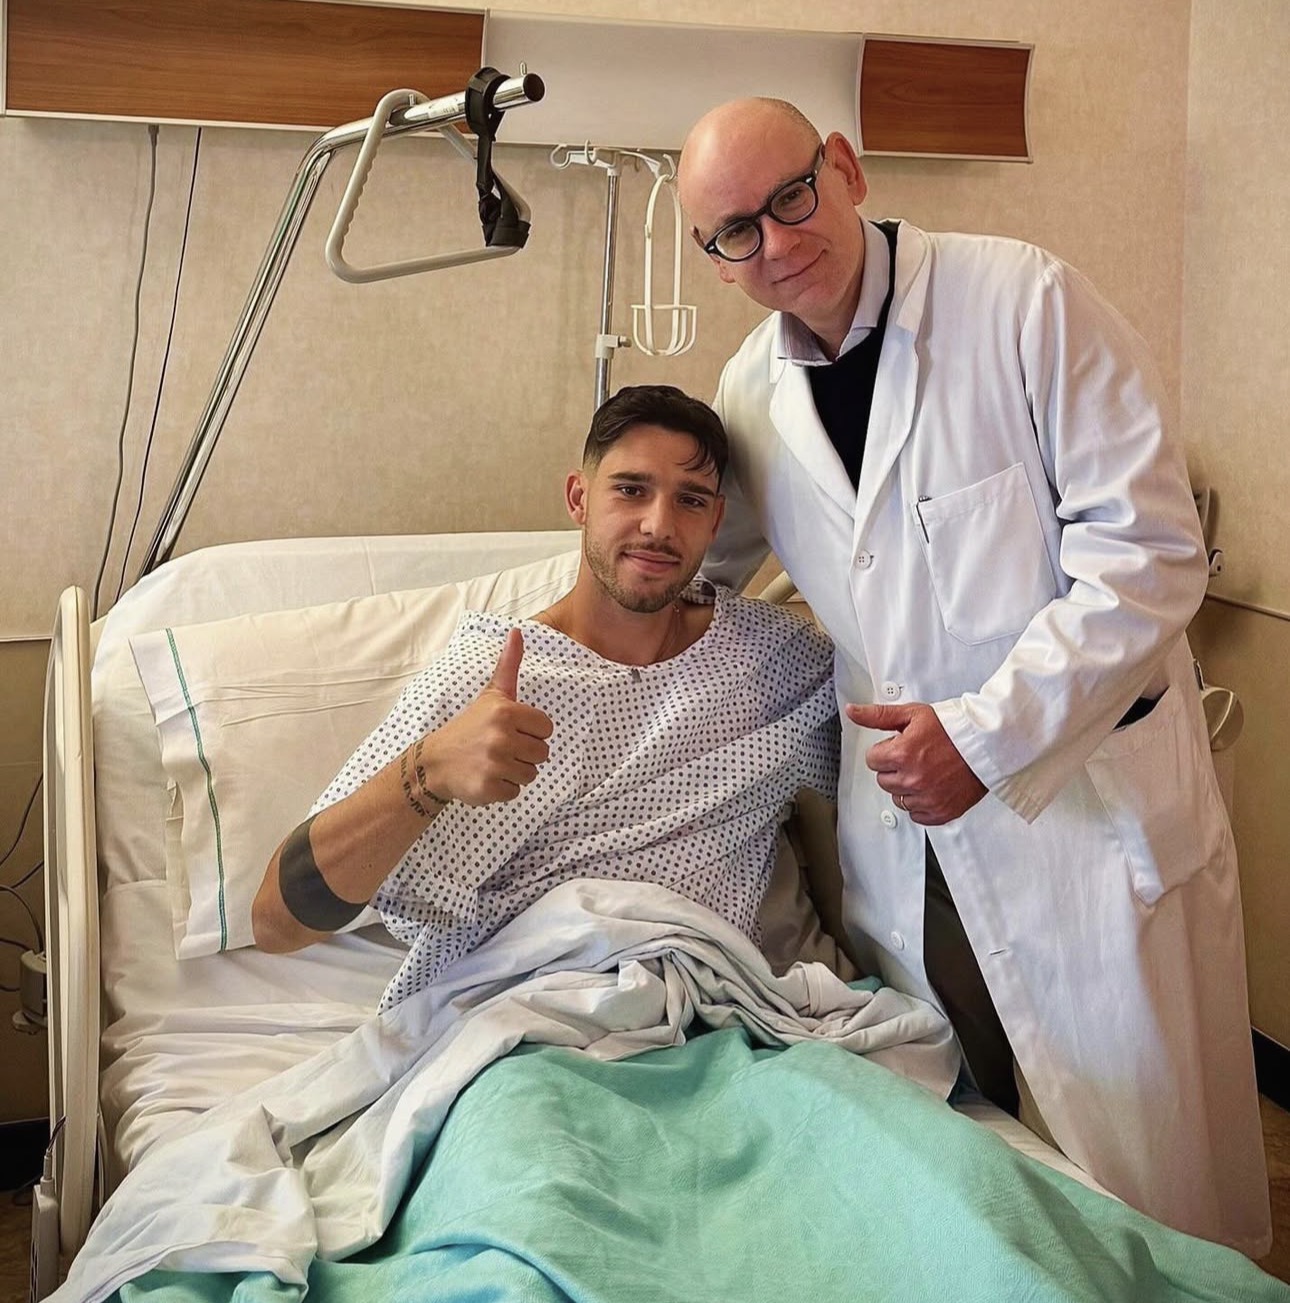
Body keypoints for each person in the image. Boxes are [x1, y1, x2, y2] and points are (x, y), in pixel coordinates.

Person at [675, 97, 1270, 1255]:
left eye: (792, 196)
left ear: (843, 168)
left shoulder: (1025, 303)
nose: (777, 242)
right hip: (908, 844)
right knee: (985, 1165)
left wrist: (987, 737)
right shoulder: (750, 395)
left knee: (1149, 1183)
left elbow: (1150, 556)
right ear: (716, 259)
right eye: (736, 231)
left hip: (1083, 815)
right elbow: (692, 562)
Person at [251, 384, 841, 1013]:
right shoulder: (489, 680)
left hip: (718, 1017)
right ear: (579, 499)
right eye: (630, 490)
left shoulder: (774, 659)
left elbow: (876, 750)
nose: (658, 526)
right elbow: (277, 923)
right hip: (522, 1018)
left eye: (690, 500)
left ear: (716, 521)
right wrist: (428, 772)